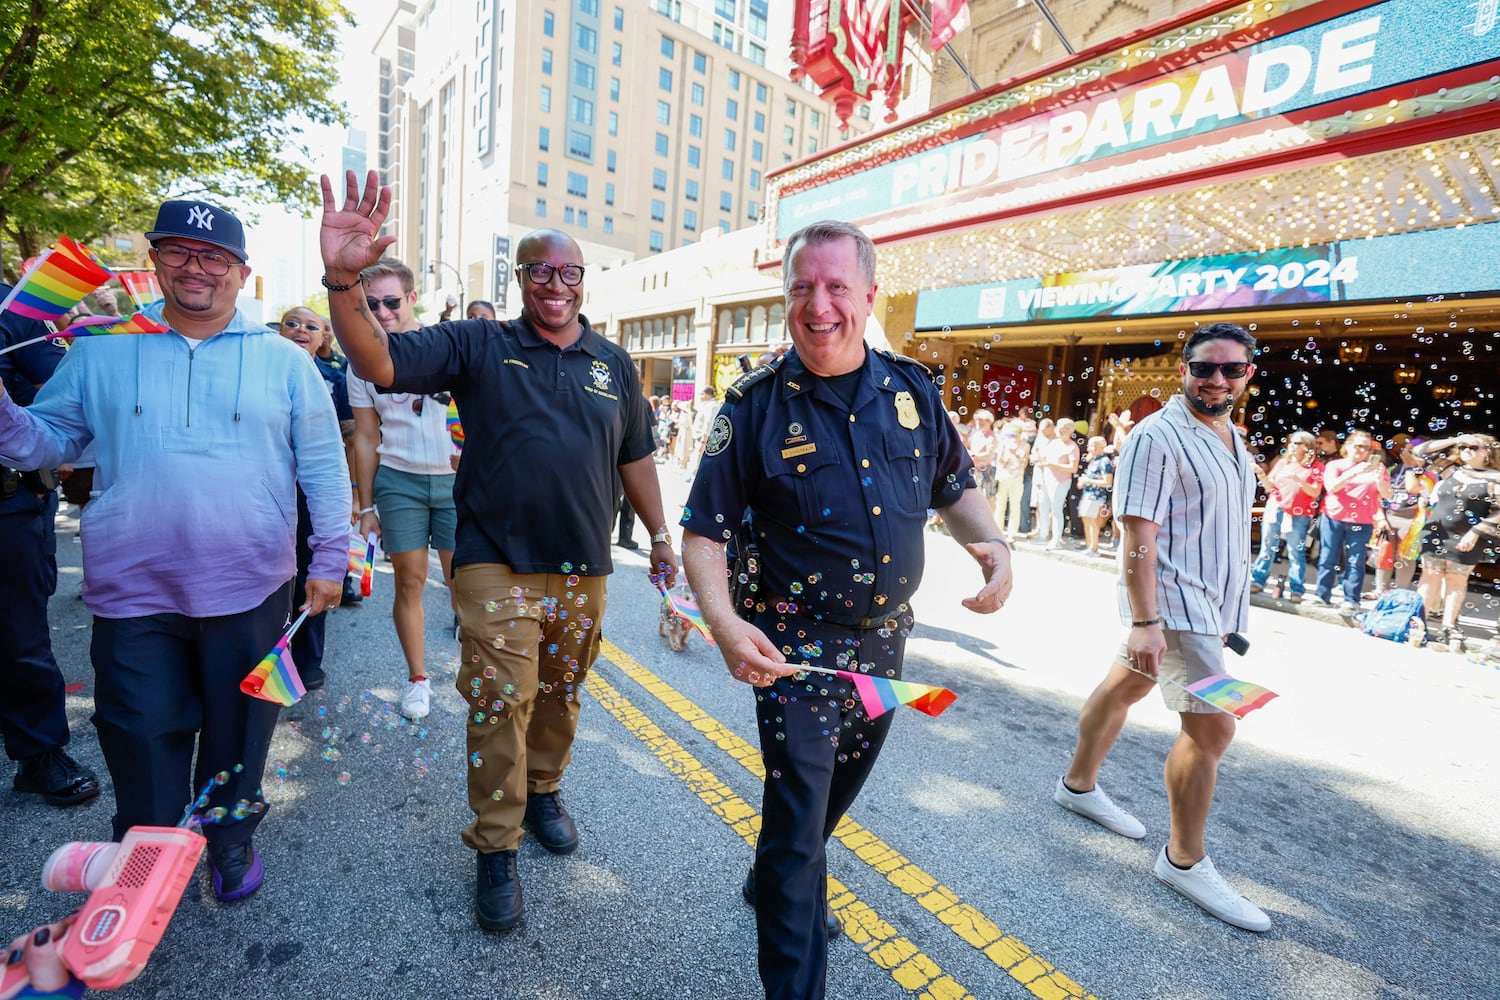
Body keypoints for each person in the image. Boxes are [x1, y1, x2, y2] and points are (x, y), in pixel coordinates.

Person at [319, 170, 678, 934]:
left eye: (570, 272)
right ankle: (495, 845)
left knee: (559, 694)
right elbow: (378, 361)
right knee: (498, 700)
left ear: (584, 280)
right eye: (541, 271)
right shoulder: (481, 343)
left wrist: (660, 537)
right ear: (521, 279)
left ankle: (543, 790)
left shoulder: (612, 363)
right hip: (494, 561)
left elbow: (636, 457)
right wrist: (344, 278)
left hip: (583, 567)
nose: (556, 284)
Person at [680, 219, 1012, 999]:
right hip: (793, 651)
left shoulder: (913, 393)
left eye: (836, 287)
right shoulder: (754, 406)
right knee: (798, 830)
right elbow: (704, 534)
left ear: (868, 294)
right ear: (786, 297)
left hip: (885, 649)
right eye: (802, 287)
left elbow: (954, 485)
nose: (818, 304)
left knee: (829, 803)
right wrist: (726, 624)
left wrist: (991, 543)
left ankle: (773, 883)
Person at [0, 200, 350, 902]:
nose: (196, 268)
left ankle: (228, 839)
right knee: (137, 730)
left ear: (241, 273)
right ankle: (146, 859)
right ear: (155, 259)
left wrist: (330, 561)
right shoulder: (100, 349)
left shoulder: (285, 361)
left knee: (242, 729)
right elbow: (44, 442)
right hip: (133, 590)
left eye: (213, 256)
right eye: (179, 251)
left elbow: (322, 465)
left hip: (252, 586)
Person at [1054, 322, 1270, 932]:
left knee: (1128, 684)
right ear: (1184, 370)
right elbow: (1139, 537)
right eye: (1204, 368)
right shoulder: (1157, 435)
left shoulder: (1233, 436)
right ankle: (1184, 859)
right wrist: (1146, 621)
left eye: (1231, 369)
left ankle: (1077, 785)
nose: (1217, 379)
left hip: (1212, 608)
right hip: (1175, 606)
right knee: (1215, 729)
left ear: (1247, 374)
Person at [346, 259, 460, 721]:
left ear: (412, 298)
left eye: (392, 301)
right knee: (410, 582)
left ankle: (476, 674)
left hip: (457, 483)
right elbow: (367, 437)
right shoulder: (360, 360)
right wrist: (365, 503)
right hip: (399, 482)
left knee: (463, 587)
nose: (383, 311)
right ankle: (418, 680)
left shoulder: (448, 348)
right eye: (371, 304)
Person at [0, 284, 100, 809]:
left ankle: (39, 756)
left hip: (9, 501)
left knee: (19, 637)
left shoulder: (13, 308)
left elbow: (56, 409)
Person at [278, 306, 356, 689]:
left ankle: (307, 658)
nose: (300, 330)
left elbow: (349, 438)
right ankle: (273, 654)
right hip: (270, 491)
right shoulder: (263, 371)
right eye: (291, 323)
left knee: (314, 567)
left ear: (324, 337)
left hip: (316, 491)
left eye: (312, 326)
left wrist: (354, 493)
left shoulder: (333, 377)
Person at [1413, 434, 1500, 649]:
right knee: (1429, 576)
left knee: (1456, 581)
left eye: (1473, 447)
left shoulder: (1495, 479)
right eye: (1463, 447)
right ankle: (1417, 623)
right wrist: (1454, 439)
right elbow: (1419, 452)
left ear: (1487, 452)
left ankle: (1448, 626)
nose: (1466, 450)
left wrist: (1476, 532)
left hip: (1468, 538)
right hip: (1436, 532)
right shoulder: (1451, 470)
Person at [1309, 430, 1391, 611]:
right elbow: (1331, 487)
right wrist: (1354, 471)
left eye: (1367, 448)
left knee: (1356, 560)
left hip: (1362, 521)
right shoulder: (1335, 465)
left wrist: (1380, 480)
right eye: (1358, 446)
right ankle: (1322, 595)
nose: (1362, 451)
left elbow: (1387, 495)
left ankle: (1351, 599)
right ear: (1348, 446)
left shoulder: (1378, 469)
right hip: (1334, 517)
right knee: (1328, 557)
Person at [1248, 430, 1323, 602]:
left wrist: (1297, 478)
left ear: (1308, 446)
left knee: (1295, 552)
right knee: (1267, 547)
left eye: (1297, 442)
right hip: (1276, 508)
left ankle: (1296, 589)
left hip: (1299, 514)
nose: (1292, 445)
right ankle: (1258, 580)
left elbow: (1314, 492)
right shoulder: (1283, 463)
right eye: (1291, 442)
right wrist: (1260, 473)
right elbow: (1269, 487)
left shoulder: (1316, 467)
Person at [1038, 417, 1079, 547]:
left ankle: (1056, 539)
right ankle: (1043, 534)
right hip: (1047, 479)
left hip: (1061, 481)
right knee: (1043, 507)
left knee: (1056, 510)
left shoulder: (1072, 447)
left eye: (1064, 429)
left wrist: (1053, 465)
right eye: (1060, 429)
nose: (1061, 431)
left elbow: (1073, 468)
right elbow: (1045, 458)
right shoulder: (1054, 443)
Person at [1076, 435, 1114, 557]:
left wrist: (1088, 481)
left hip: (1096, 496)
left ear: (1100, 447)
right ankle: (1089, 546)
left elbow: (1108, 482)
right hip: (1088, 494)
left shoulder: (1104, 461)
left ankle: (1094, 548)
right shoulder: (1094, 460)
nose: (1090, 448)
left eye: (1093, 446)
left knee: (1092, 521)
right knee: (1086, 519)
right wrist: (1083, 482)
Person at [993, 420, 1028, 537]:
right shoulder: (1004, 443)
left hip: (1017, 478)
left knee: (1015, 505)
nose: (1013, 435)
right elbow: (1000, 460)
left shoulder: (1025, 445)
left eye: (1015, 432)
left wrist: (1015, 453)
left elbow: (1024, 463)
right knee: (1000, 504)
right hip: (1004, 476)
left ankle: (1011, 533)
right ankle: (998, 531)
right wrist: (1005, 455)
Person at [966, 408, 999, 511]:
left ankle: (989, 521)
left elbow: (989, 455)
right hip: (974, 470)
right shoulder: (976, 435)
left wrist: (973, 455)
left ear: (989, 421)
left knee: (988, 497)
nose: (979, 422)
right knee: (975, 498)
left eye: (981, 420)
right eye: (977, 420)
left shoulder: (992, 437)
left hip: (986, 471)